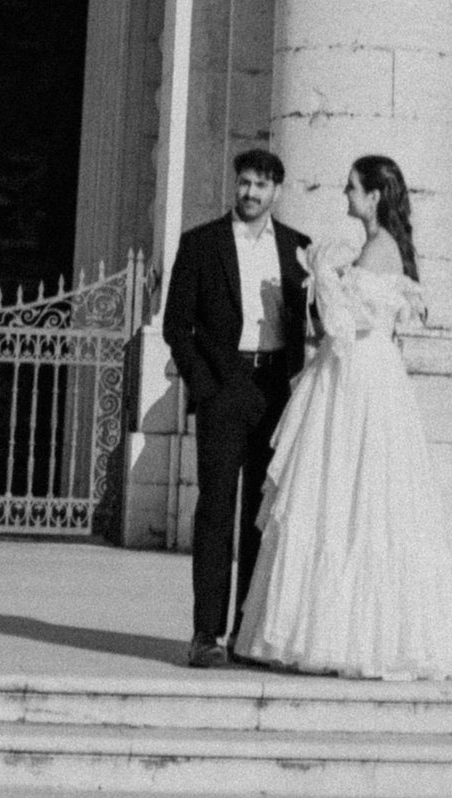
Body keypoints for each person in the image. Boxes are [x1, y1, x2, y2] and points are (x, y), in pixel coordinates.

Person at [230, 155, 452, 683]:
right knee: (339, 500)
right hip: (356, 374)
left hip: (360, 376)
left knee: (354, 500)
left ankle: (350, 637)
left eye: (352, 189)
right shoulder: (375, 249)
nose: (345, 196)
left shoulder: (381, 249)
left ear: (374, 197)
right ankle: (326, 630)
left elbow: (341, 325)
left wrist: (320, 272)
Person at [160, 144, 310, 668]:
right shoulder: (201, 244)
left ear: (277, 191)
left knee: (259, 517)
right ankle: (206, 635)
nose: (250, 193)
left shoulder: (298, 249)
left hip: (274, 391)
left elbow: (309, 325)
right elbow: (176, 325)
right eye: (244, 183)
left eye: (261, 185)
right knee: (216, 511)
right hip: (224, 389)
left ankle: (248, 635)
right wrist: (204, 385)